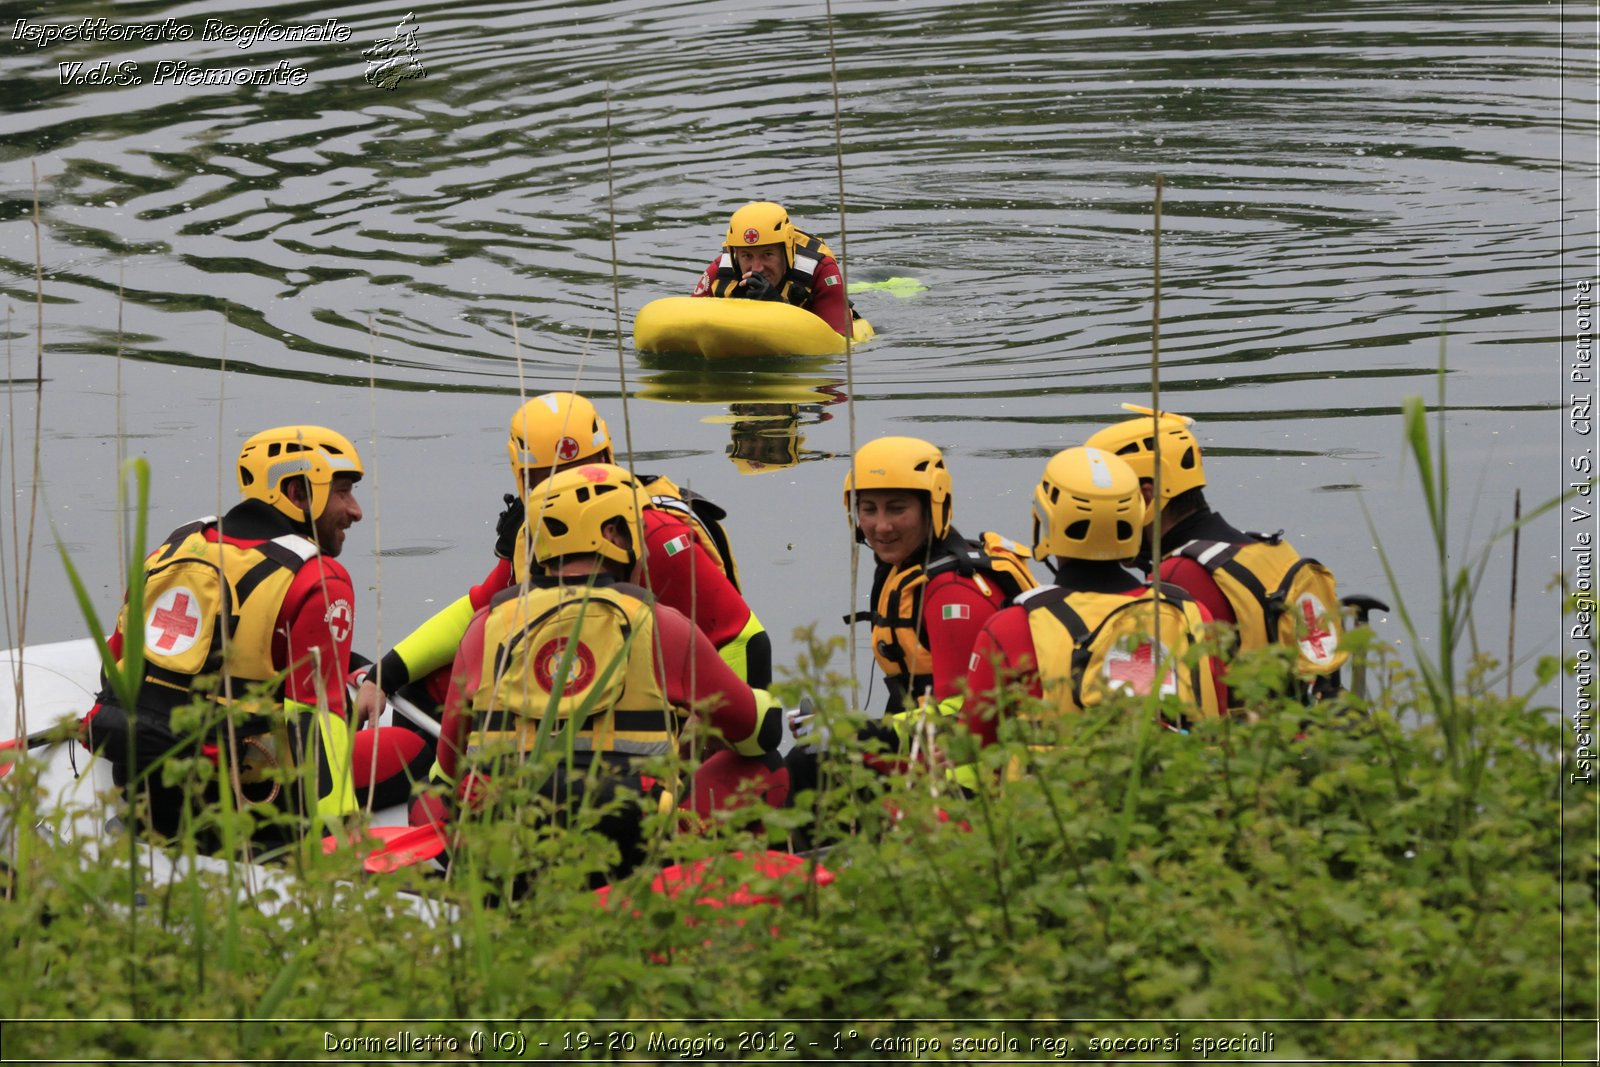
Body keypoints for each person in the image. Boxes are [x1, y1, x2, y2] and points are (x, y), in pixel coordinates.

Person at [354, 392, 783, 806]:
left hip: (641, 722)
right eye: (551, 478)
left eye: (586, 468)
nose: (574, 490)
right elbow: (475, 609)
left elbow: (744, 641)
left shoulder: (656, 539)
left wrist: (707, 742)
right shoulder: (538, 537)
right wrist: (384, 675)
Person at [434, 464, 780, 883]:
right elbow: (757, 730)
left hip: (509, 856)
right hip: (627, 855)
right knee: (766, 764)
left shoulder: (484, 630)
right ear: (616, 535)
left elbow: (449, 765)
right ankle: (725, 895)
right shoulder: (661, 627)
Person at [84, 425, 382, 841]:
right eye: (342, 491)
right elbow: (317, 727)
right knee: (410, 747)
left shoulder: (176, 546)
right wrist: (340, 835)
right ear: (298, 492)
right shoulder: (319, 578)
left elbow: (115, 666)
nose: (355, 511)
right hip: (247, 806)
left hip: (144, 790)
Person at [787, 436, 1036, 794]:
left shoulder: (952, 593)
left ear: (932, 506)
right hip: (927, 748)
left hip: (969, 776)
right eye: (869, 509)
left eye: (897, 509)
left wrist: (855, 732)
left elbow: (967, 720)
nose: (881, 526)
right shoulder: (902, 569)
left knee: (808, 762)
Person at [960, 447, 1225, 755]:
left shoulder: (1013, 626)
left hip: (1055, 801)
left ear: (1044, 519)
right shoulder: (1192, 614)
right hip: (1175, 798)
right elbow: (1215, 724)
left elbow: (974, 747)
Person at [1083, 408, 1349, 702]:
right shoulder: (1268, 550)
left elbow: (1143, 701)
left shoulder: (1180, 576)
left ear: (1147, 497)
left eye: (1110, 503)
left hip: (1240, 743)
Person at [691, 201, 853, 337]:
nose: (757, 268)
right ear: (736, 255)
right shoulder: (721, 269)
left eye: (767, 254)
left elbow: (840, 342)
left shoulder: (821, 269)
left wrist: (776, 306)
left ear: (787, 251)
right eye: (747, 256)